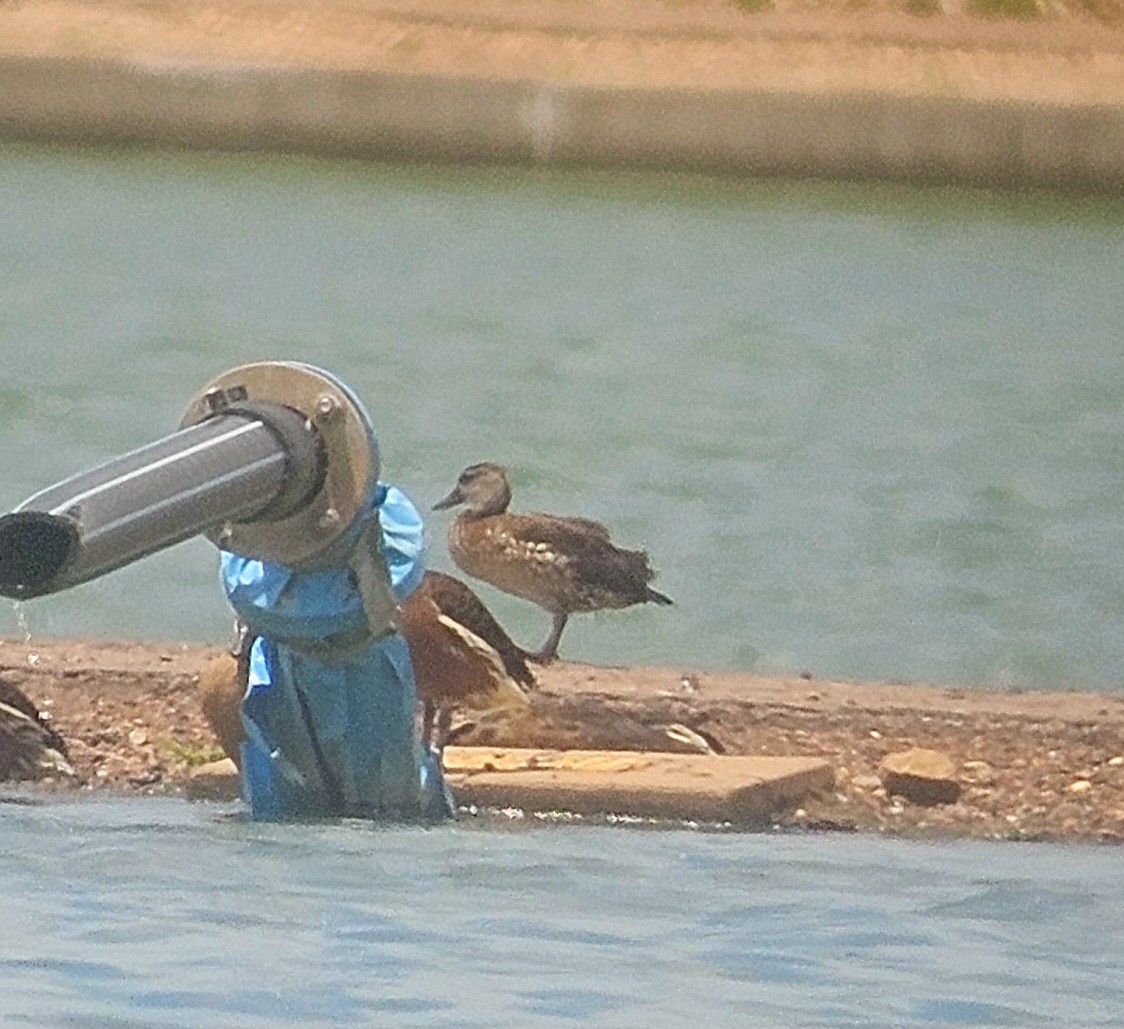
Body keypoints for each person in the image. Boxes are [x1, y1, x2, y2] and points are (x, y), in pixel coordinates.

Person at [220, 481, 452, 821]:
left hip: (344, 662)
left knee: (323, 796)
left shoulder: (252, 560)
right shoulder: (391, 520)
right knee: (387, 800)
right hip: (347, 661)